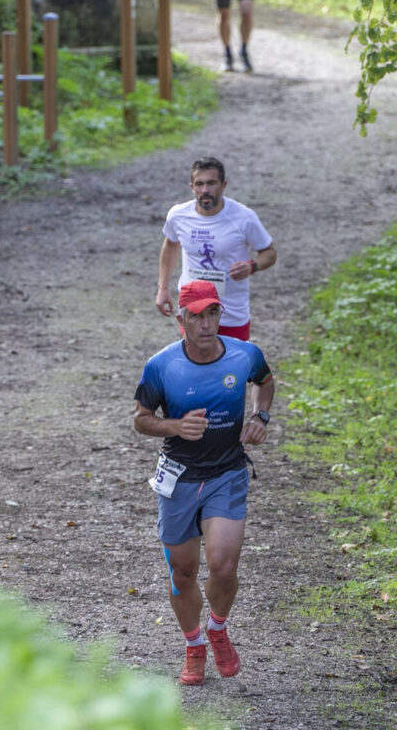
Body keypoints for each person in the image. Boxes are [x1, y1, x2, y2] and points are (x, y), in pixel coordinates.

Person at [133, 279, 276, 686]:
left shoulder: (244, 356)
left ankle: (218, 628)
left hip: (226, 474)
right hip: (178, 480)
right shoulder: (161, 366)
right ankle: (194, 644)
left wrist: (259, 417)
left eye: (212, 313)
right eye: (196, 316)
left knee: (224, 566)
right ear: (181, 319)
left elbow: (265, 383)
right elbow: (141, 418)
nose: (206, 323)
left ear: (219, 315)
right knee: (182, 572)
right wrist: (174, 425)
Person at [155, 157, 276, 341]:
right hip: (193, 309)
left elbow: (269, 253)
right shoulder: (178, 215)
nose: (205, 190)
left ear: (223, 185)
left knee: (233, 369)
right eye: (199, 184)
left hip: (231, 313)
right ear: (192, 187)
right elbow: (171, 244)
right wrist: (163, 288)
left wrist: (252, 266)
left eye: (211, 183)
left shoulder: (244, 217)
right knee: (195, 366)